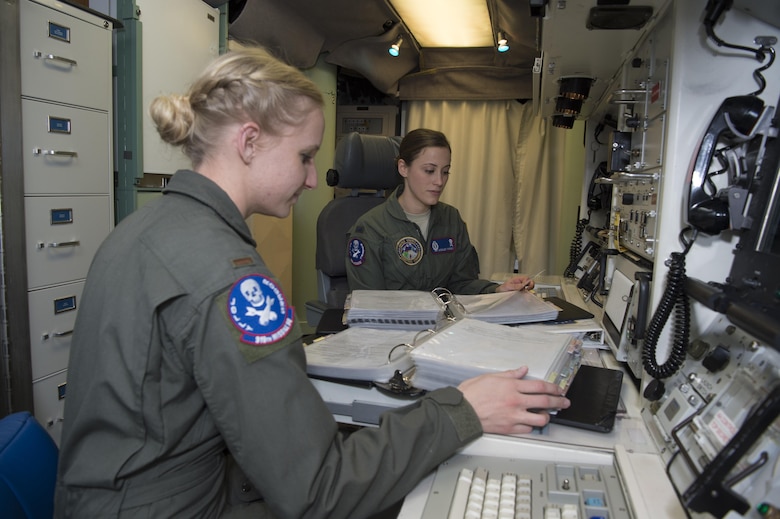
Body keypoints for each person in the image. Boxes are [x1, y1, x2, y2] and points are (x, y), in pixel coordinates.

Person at [54, 46, 569, 518]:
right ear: (249, 142)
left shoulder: (136, 232)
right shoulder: (232, 280)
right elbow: (318, 489)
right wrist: (463, 410)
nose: (310, 178)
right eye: (304, 156)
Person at [346, 128, 536, 295]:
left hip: (444, 323)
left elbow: (462, 284)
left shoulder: (451, 219)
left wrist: (497, 290)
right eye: (429, 170)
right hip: (395, 324)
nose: (439, 181)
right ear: (403, 168)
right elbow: (369, 304)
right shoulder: (370, 228)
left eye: (445, 172)